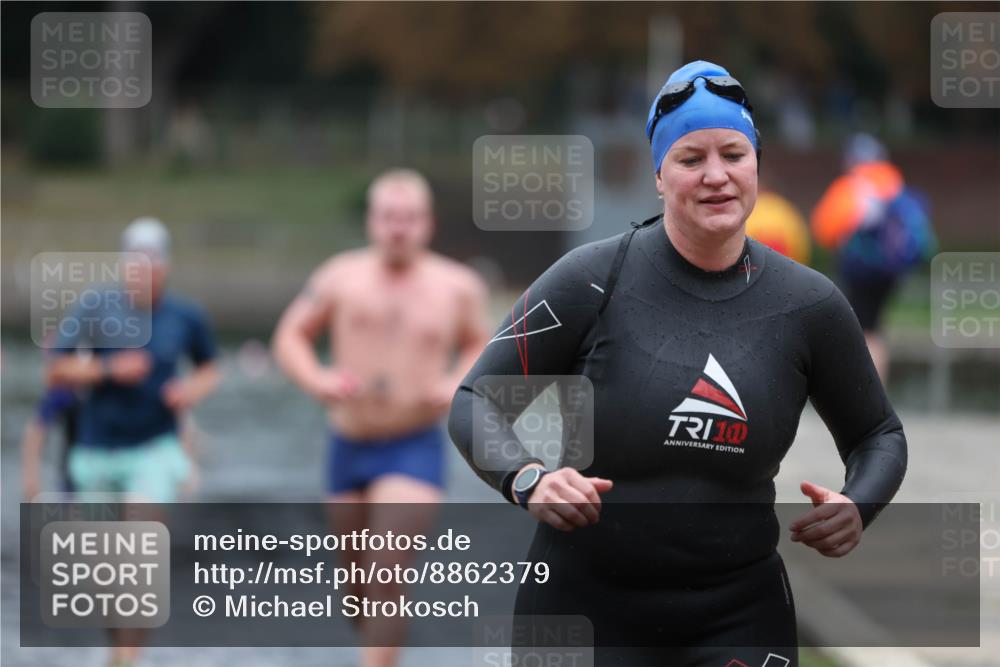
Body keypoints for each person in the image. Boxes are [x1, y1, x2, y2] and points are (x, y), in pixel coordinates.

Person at [448, 61, 907, 666]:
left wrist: (858, 505)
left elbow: (878, 434)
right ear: (659, 176)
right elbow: (475, 399)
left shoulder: (808, 305)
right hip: (585, 605)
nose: (716, 175)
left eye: (733, 155)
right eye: (691, 159)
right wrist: (528, 479)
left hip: (737, 613)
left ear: (756, 165)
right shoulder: (590, 281)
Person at [271, 168, 490, 667]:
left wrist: (455, 381)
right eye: (389, 217)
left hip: (413, 443)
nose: (398, 228)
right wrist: (317, 379)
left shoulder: (457, 286)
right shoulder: (339, 276)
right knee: (356, 587)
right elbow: (290, 336)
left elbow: (483, 343)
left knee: (387, 571)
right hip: (348, 440)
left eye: (409, 218)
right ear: (372, 221)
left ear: (427, 223)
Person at [46, 216, 220, 667]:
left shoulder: (185, 315)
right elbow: (56, 368)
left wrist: (190, 390)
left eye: (151, 261)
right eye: (134, 261)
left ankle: (131, 653)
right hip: (97, 448)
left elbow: (210, 368)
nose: (142, 270)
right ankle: (119, 650)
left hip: (155, 446)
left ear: (165, 267)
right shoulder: (95, 306)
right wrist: (108, 369)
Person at [811, 133, 935, 382]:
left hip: (861, 271)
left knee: (862, 330)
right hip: (891, 271)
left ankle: (867, 388)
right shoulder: (894, 183)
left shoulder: (853, 187)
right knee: (874, 328)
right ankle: (876, 387)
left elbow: (824, 229)